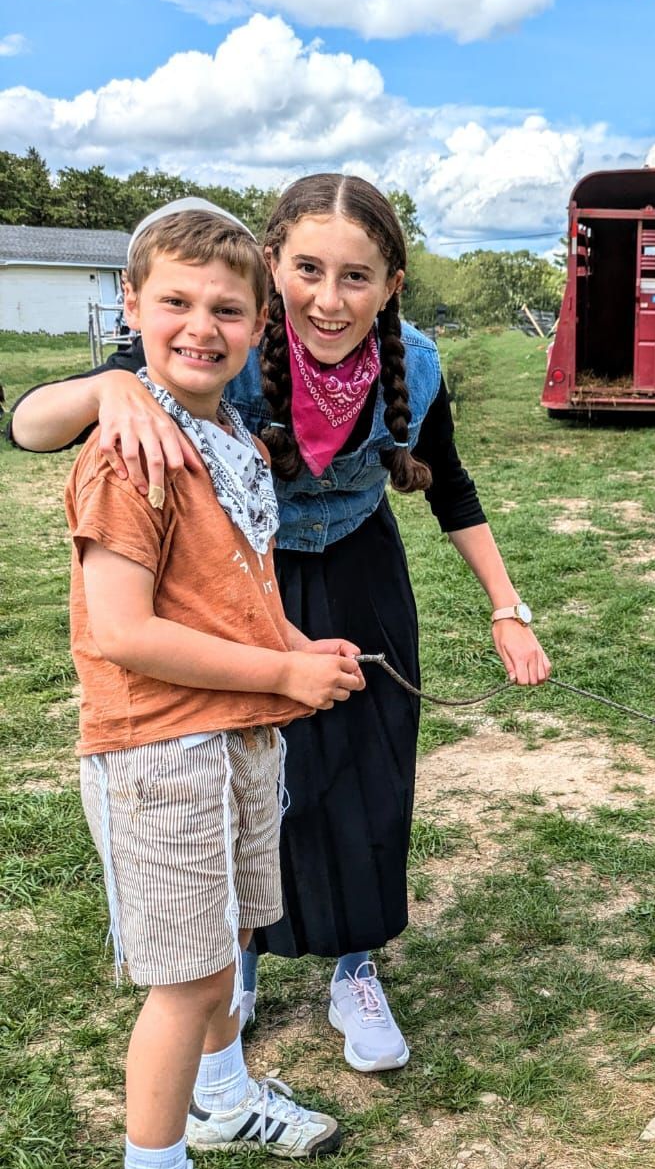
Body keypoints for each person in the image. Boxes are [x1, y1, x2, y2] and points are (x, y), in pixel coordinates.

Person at [11, 176, 551, 1073]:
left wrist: (506, 607)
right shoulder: (215, 338)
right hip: (240, 586)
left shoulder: (412, 363)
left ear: (391, 285)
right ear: (272, 267)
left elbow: (449, 488)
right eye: (306, 269)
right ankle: (240, 964)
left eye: (356, 277)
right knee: (255, 777)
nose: (327, 300)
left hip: (358, 568)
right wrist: (112, 393)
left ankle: (355, 964)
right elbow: (27, 425)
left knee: (367, 772)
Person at [65, 208, 365, 1169]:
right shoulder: (126, 450)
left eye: (227, 308)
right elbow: (126, 631)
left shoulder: (231, 436)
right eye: (177, 303)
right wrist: (281, 672)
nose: (202, 325)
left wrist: (297, 647)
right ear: (133, 308)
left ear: (255, 326)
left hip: (238, 739)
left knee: (229, 940)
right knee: (185, 978)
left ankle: (223, 1099)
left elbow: (241, 595)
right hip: (158, 753)